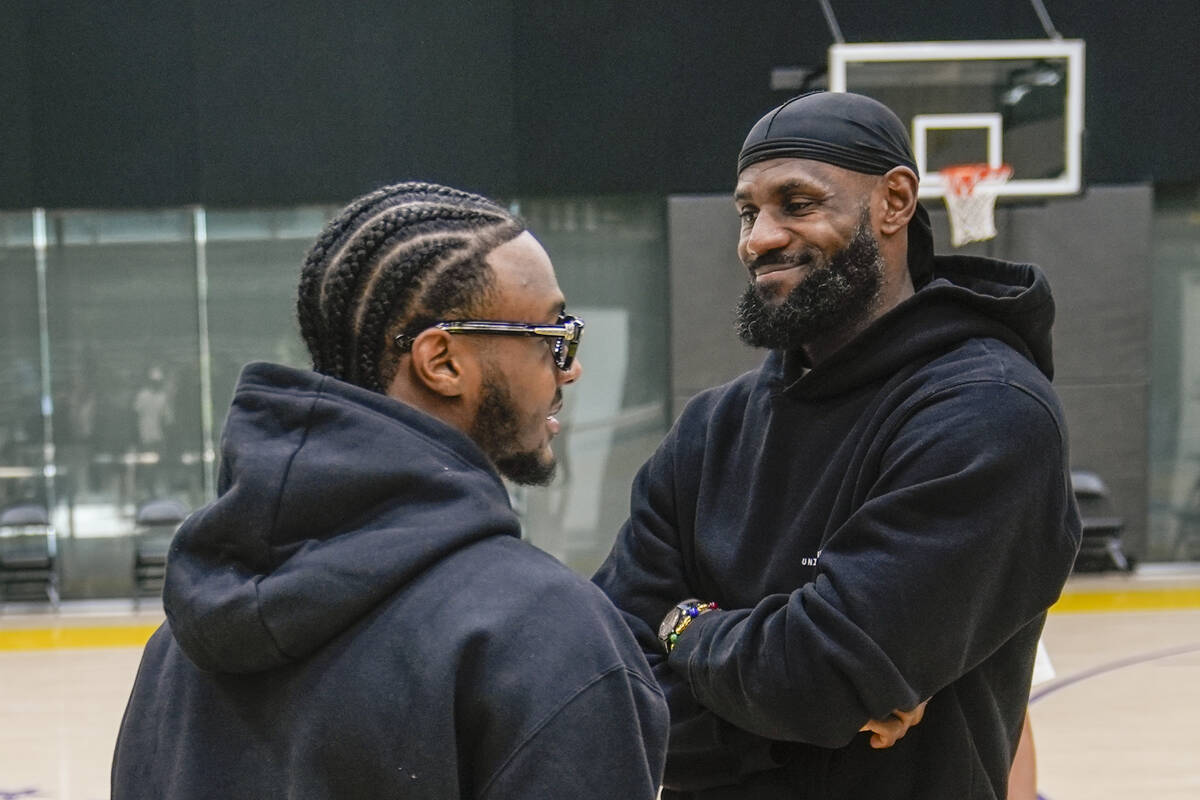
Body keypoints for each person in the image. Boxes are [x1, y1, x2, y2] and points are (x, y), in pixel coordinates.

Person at [593, 91, 1082, 799]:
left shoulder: (989, 415)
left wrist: (684, 628)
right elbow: (607, 682)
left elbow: (817, 676)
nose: (759, 238)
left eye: (797, 202)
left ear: (894, 201)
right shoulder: (710, 431)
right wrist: (791, 699)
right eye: (747, 211)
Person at [112, 182, 668, 799]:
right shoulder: (545, 635)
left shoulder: (182, 641)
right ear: (443, 362)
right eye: (550, 335)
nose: (570, 367)